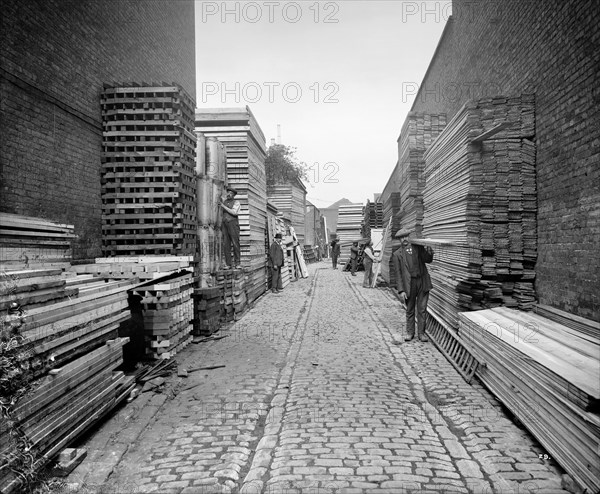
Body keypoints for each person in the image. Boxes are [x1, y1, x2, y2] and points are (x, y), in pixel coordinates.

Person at [392, 228, 434, 342]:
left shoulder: (418, 248)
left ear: (409, 237)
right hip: (408, 285)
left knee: (422, 309)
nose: (404, 239)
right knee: (410, 309)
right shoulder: (397, 254)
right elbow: (398, 274)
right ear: (399, 240)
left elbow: (428, 259)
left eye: (405, 236)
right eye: (401, 238)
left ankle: (421, 334)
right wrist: (401, 290)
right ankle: (410, 333)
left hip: (422, 282)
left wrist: (429, 249)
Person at [221, 186, 241, 269]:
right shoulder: (224, 202)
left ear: (233, 195)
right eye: (228, 193)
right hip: (225, 224)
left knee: (235, 244)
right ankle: (228, 264)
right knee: (226, 245)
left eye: (230, 193)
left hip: (233, 224)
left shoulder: (237, 202)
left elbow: (234, 212)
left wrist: (223, 207)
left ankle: (238, 263)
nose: (228, 194)